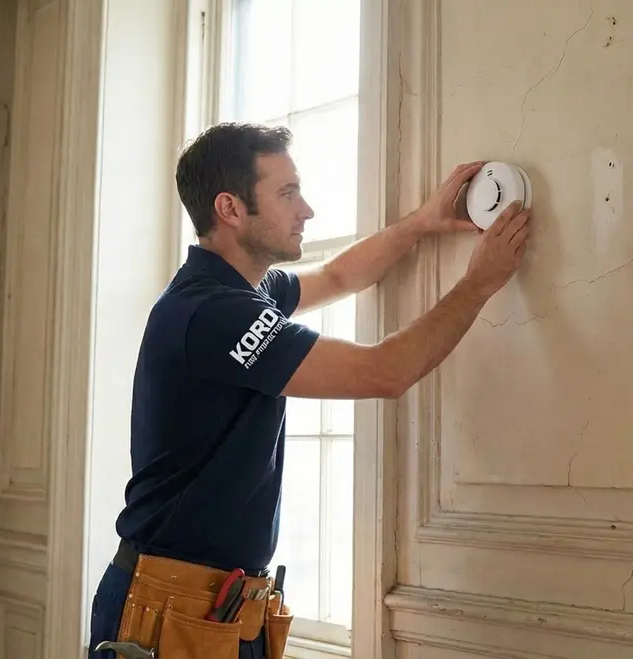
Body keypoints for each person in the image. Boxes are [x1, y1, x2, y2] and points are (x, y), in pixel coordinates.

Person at [87, 122, 530, 659]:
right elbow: (383, 372)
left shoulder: (246, 288)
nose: (307, 210)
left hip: (221, 603)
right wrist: (478, 283)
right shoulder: (213, 314)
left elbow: (342, 276)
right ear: (230, 208)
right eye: (287, 193)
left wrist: (421, 224)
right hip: (171, 607)